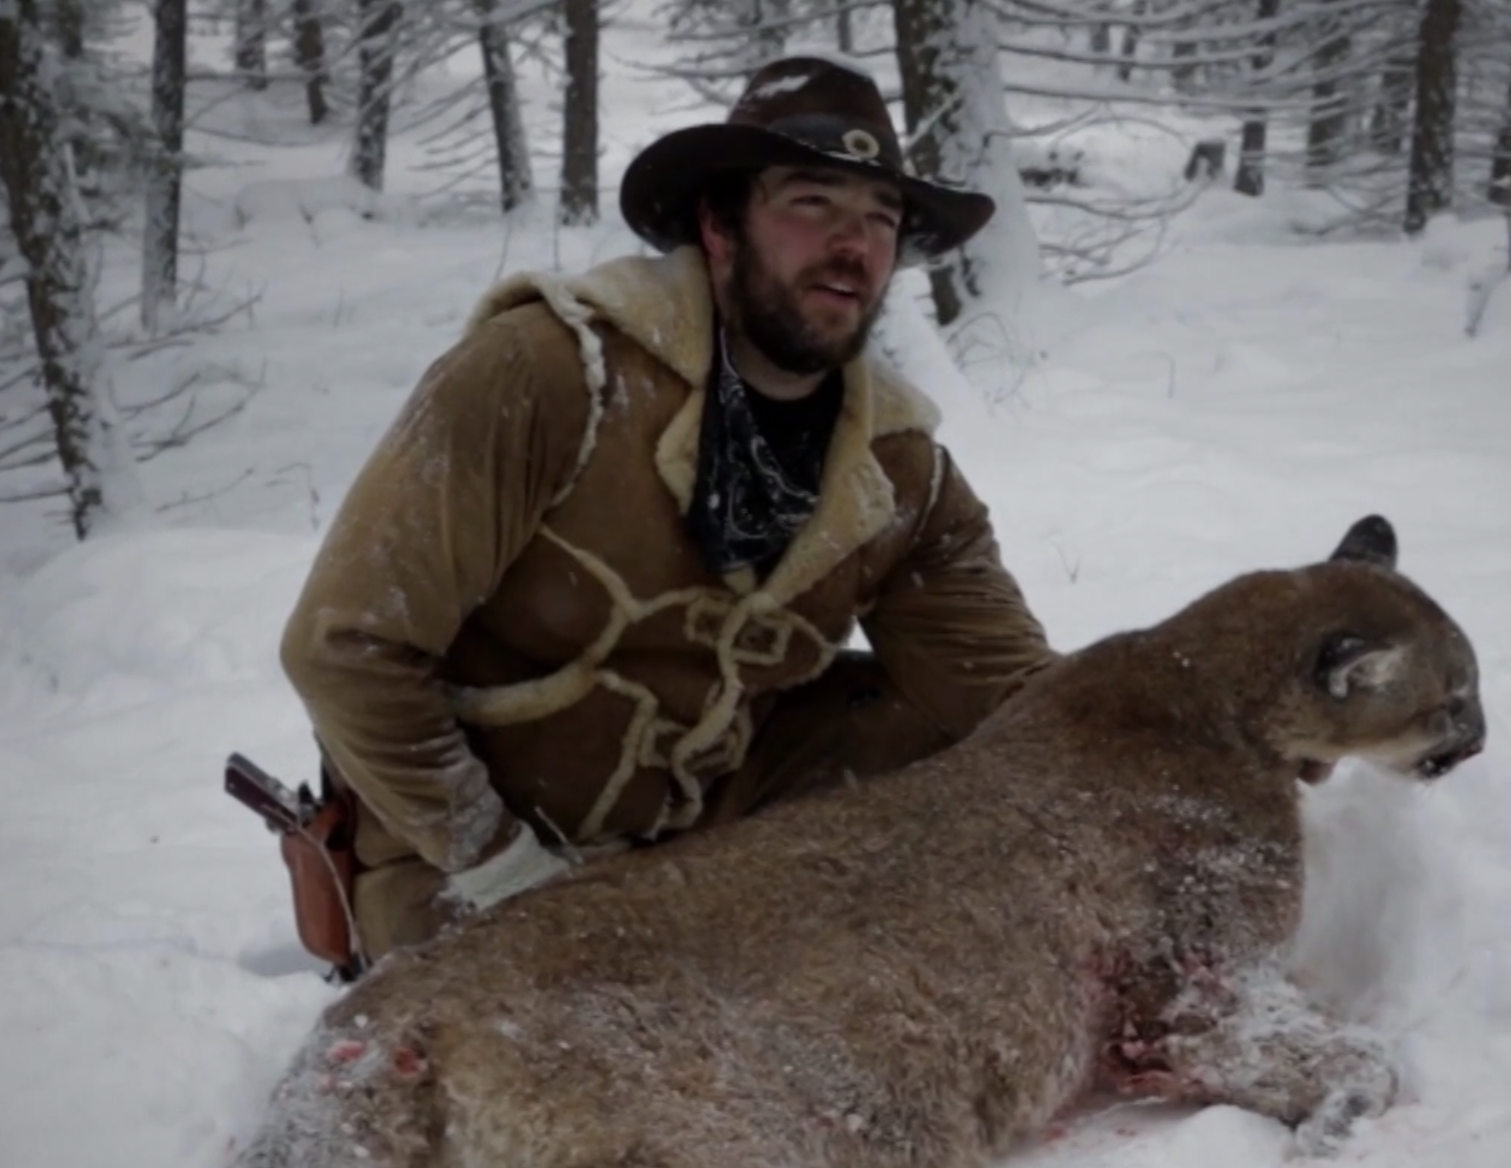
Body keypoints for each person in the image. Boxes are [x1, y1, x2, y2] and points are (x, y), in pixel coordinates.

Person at [278, 55, 1057, 958]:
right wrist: (503, 872)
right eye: (813, 203)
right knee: (557, 1073)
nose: (856, 244)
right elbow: (346, 648)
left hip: (709, 837)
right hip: (467, 860)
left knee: (954, 734)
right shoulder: (547, 374)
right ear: (718, 225)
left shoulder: (903, 470)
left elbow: (1017, 699)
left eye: (881, 218)